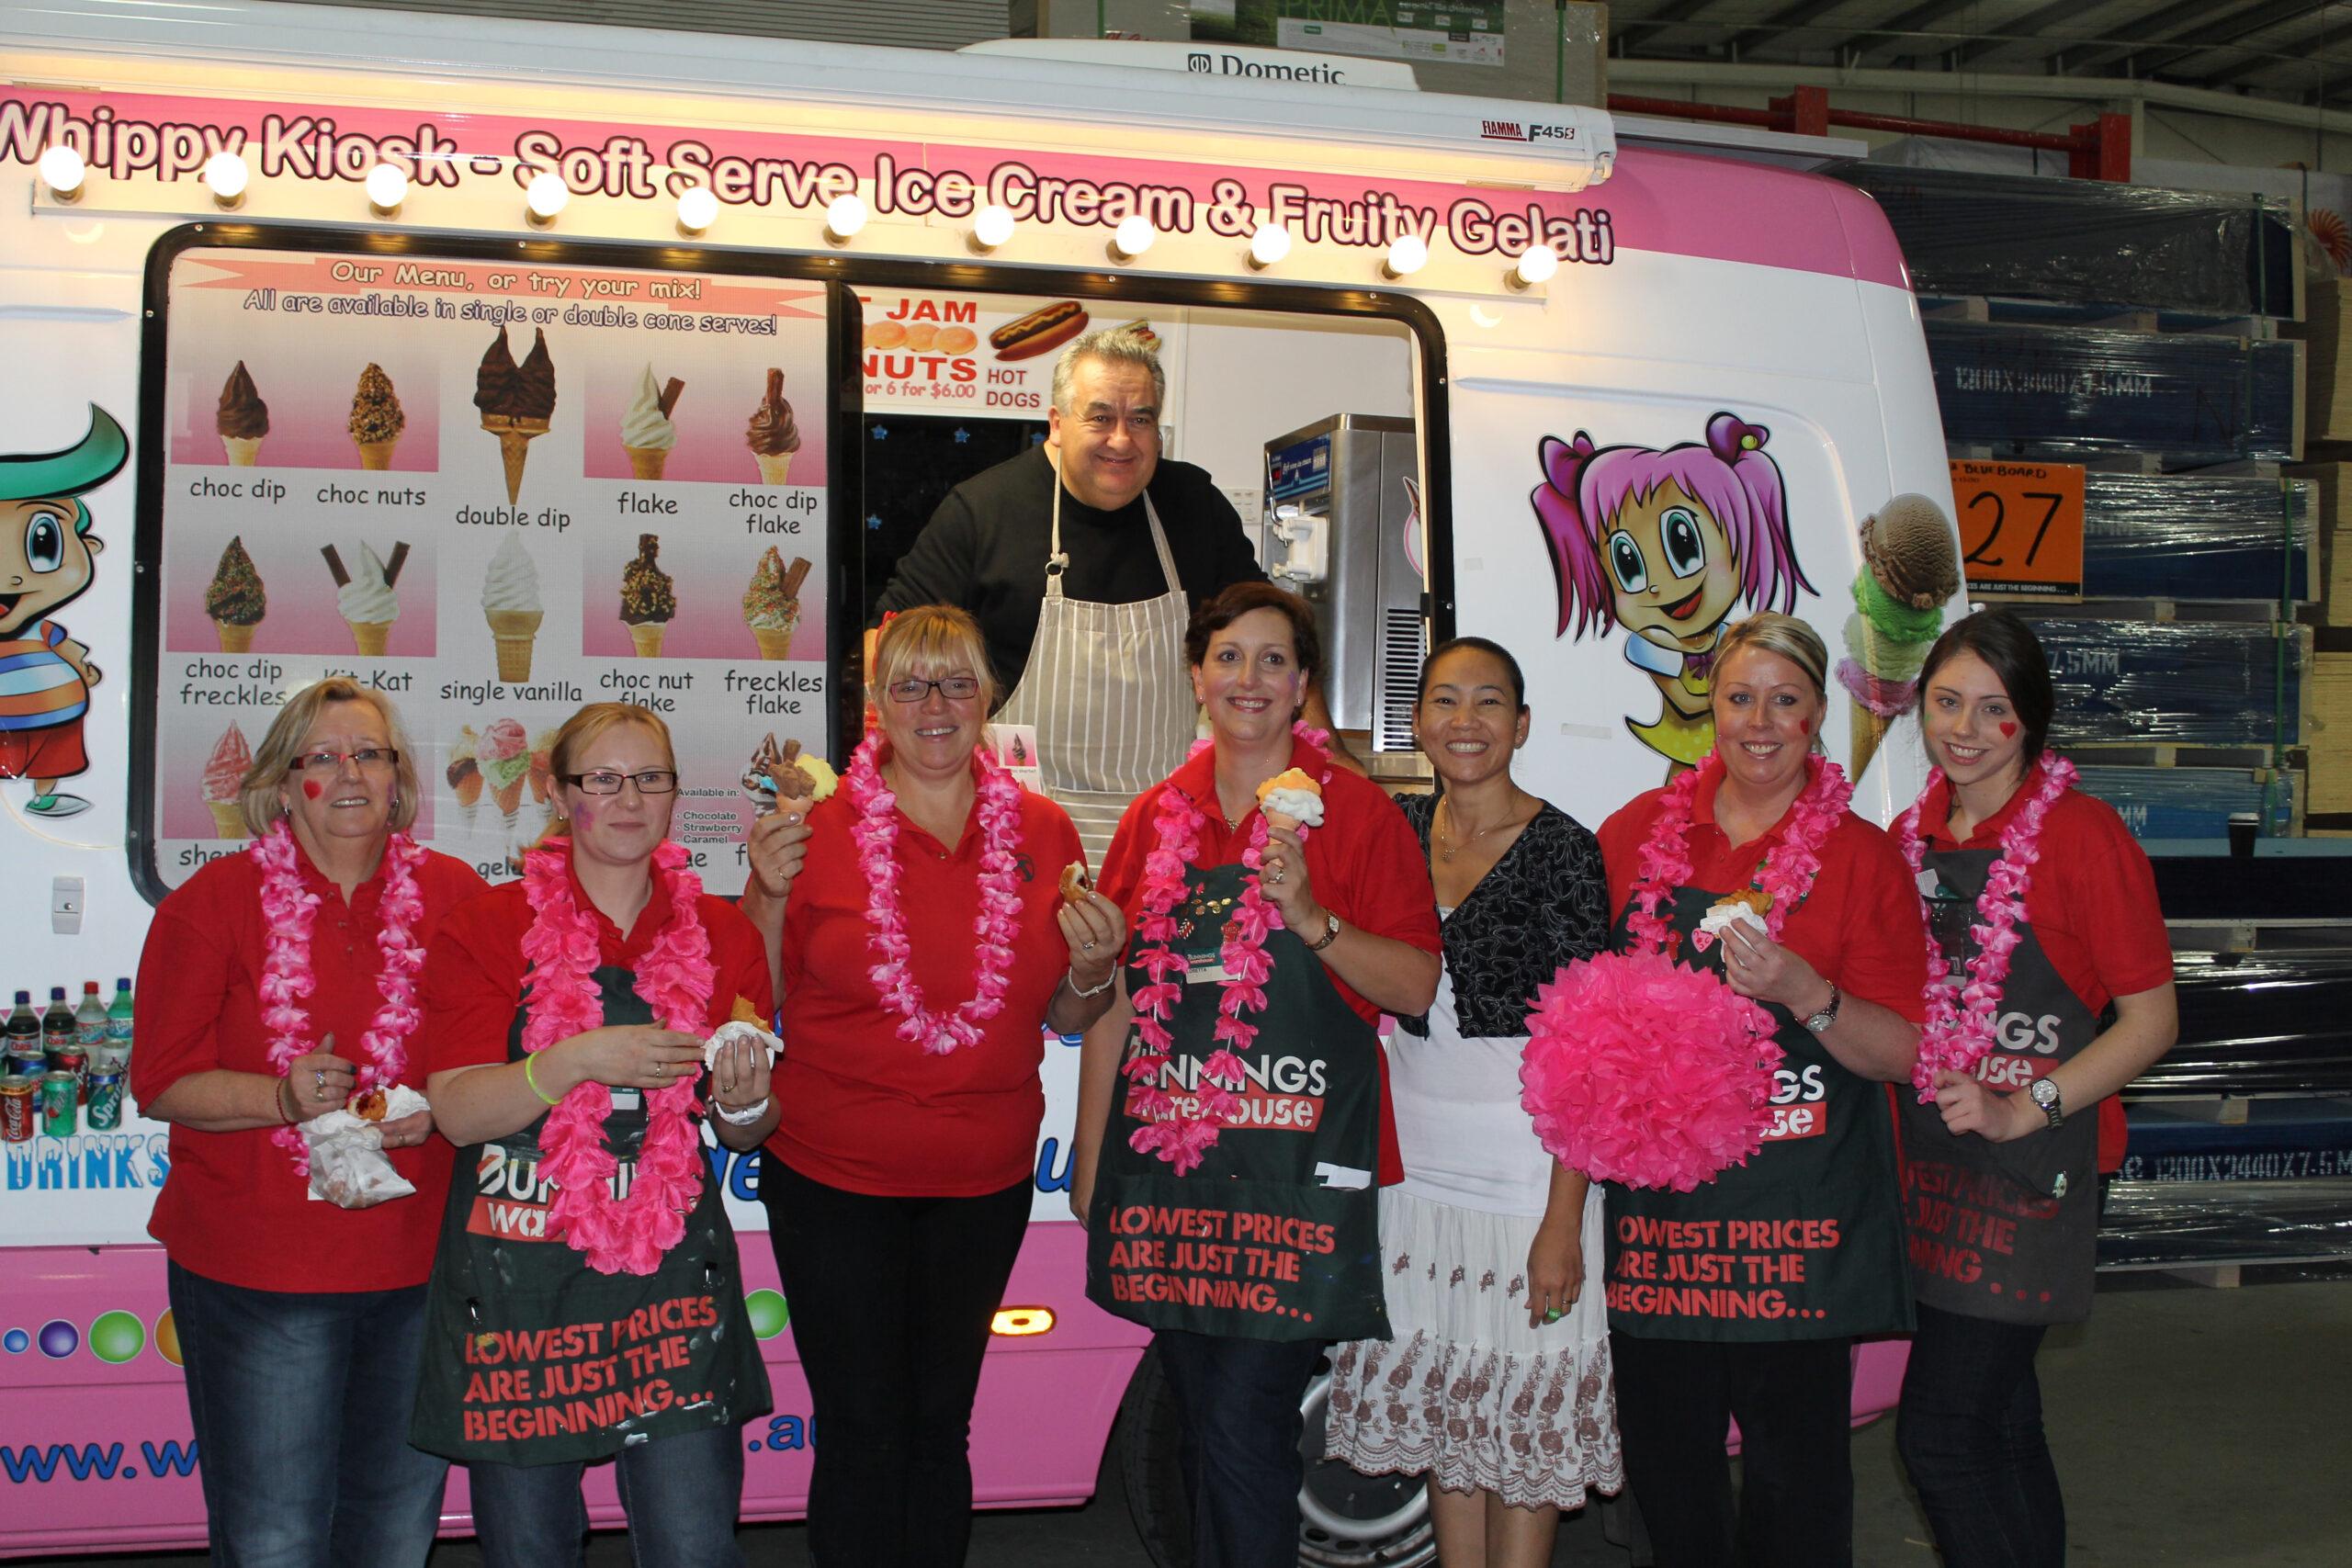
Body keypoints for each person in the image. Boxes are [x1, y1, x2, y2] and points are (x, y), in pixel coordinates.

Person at [739, 604, 1120, 1568]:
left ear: (988, 697)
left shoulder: (1040, 826)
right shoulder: (812, 829)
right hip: (831, 1179)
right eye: (909, 685)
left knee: (941, 1425)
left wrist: (1092, 971)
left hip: (981, 1184)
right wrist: (764, 894)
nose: (935, 705)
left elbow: (1068, 1015)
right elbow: (751, 999)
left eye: (955, 683)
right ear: (877, 708)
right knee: (862, 1425)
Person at [1072, 582, 1442, 1568]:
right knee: (1198, 1426)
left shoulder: (1356, 815)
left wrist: (1313, 917)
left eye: (1272, 660)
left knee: (1241, 1425)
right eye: (1229, 657)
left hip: (1296, 1180)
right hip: (1177, 1183)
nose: (1249, 679)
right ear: (1197, 676)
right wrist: (1092, 1155)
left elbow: (1412, 985)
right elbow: (1109, 998)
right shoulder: (1156, 817)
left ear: (1303, 685)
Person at [1591, 612, 1926, 1568]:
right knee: (1666, 1469)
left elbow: (1905, 1052)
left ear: (1818, 712)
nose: (1759, 721)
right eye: (1740, 697)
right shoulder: (1635, 836)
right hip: (1662, 1231)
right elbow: (1582, 1024)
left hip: (1796, 1226)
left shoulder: (1860, 858)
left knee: (1796, 1480)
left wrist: (1804, 994)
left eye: (1785, 700)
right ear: (1711, 707)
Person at [130, 677, 487, 1565]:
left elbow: (486, 1061)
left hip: (418, 1270)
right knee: (275, 1538)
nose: (352, 772)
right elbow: (161, 1080)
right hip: (260, 1275)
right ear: (285, 786)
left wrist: (432, 1113)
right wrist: (279, 1099)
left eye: (370, 752)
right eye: (322, 757)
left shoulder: (456, 896)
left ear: (400, 778)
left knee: (395, 1533)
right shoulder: (210, 903)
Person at [412, 704, 775, 1568]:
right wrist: (573, 1060)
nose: (627, 799)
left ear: (675, 795)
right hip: (521, 1298)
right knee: (529, 1551)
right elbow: (457, 1112)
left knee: (694, 1550)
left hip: (673, 1294)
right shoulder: (489, 928)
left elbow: (747, 1130)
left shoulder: (724, 935)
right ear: (553, 789)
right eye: (600, 779)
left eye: (649, 777)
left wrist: (748, 1103)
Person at [1323, 637, 1622, 1567]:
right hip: (1413, 1174)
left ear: (1521, 724)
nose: (1465, 723)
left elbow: (1590, 1054)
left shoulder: (1565, 849)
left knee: (1519, 1428)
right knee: (1456, 1416)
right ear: (1414, 725)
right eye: (1444, 702)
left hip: (1525, 1179)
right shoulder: (1394, 828)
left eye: (1488, 703)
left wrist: (1562, 1220)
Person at [1892, 609, 2176, 1568]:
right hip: (1933, 1171)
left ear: (2032, 724)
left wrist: (2028, 1102)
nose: (1963, 729)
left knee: (1937, 1438)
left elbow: (2151, 1021)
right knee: (2001, 1429)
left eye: (1993, 709)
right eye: (1945, 701)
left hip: (2030, 1177)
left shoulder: (2085, 839)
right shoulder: (1911, 835)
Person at [877, 327, 1338, 859]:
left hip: (1171, 832)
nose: (1122, 439)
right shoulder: (983, 511)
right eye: (1100, 417)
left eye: (1140, 419)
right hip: (1015, 836)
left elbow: (1276, 634)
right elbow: (891, 645)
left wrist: (1324, 761)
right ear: (1056, 424)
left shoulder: (1193, 505)